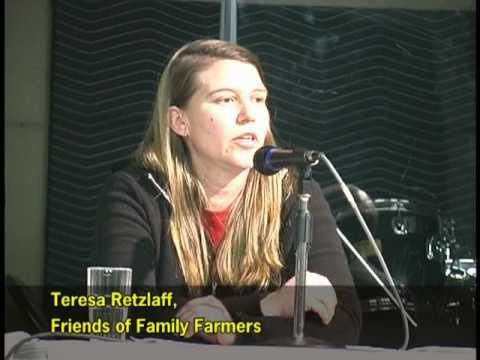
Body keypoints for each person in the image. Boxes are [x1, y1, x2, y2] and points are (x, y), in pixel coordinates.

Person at [95, 39, 361, 346]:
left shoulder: (296, 191)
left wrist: (232, 328)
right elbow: (120, 313)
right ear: (180, 121)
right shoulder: (136, 191)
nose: (250, 114)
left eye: (258, 99)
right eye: (225, 100)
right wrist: (265, 308)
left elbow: (344, 321)